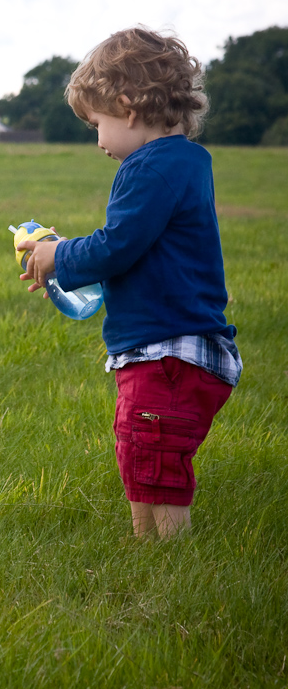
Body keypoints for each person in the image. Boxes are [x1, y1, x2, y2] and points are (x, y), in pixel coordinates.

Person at [16, 26, 242, 539]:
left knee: (155, 458)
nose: (98, 142)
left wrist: (62, 256)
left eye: (97, 123)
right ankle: (144, 546)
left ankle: (167, 557)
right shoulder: (186, 162)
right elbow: (136, 246)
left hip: (166, 353)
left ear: (128, 106)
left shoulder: (148, 167)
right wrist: (65, 259)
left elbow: (117, 246)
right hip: (177, 349)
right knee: (140, 449)